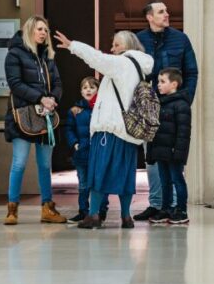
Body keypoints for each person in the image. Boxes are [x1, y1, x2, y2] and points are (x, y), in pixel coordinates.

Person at [53, 30, 154, 229]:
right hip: (128, 132)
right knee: (126, 175)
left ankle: (93, 216)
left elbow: (96, 58)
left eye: (116, 45)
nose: (112, 49)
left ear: (127, 46)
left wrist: (72, 45)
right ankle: (126, 216)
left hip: (110, 130)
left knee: (99, 173)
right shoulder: (140, 67)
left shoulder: (122, 63)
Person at [134, 0, 199, 222]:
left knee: (172, 161)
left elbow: (191, 72)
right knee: (152, 157)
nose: (166, 14)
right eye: (161, 12)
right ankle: (157, 205)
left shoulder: (181, 39)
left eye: (166, 10)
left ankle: (173, 206)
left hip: (173, 110)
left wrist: (184, 100)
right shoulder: (139, 40)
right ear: (149, 17)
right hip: (148, 110)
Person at [3, 15, 67, 225]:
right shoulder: (15, 54)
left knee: (44, 164)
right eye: (40, 29)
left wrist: (52, 99)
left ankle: (47, 208)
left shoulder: (48, 56)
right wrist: (40, 98)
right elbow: (15, 84)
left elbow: (57, 82)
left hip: (46, 115)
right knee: (19, 163)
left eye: (46, 30)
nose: (44, 33)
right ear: (30, 30)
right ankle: (12, 209)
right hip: (23, 115)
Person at [146, 68, 191, 225]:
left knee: (177, 179)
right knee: (164, 180)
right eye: (158, 81)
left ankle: (181, 210)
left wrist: (178, 152)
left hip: (173, 152)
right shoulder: (160, 103)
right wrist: (151, 151)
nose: (158, 85)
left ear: (174, 84)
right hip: (161, 151)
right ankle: (165, 208)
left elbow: (183, 133)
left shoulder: (181, 105)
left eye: (162, 82)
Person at [65, 76, 108, 223]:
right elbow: (69, 129)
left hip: (98, 153)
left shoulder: (103, 108)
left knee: (100, 183)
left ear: (98, 90)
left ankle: (101, 211)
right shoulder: (75, 111)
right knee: (83, 184)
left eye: (92, 87)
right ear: (81, 91)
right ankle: (83, 211)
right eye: (85, 87)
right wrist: (74, 143)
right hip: (81, 153)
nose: (88, 89)